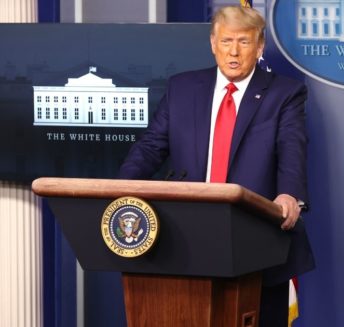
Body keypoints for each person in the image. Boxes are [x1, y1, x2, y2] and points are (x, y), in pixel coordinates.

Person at [118, 5, 314, 326]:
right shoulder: (182, 88)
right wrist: (119, 189)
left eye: (244, 42)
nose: (233, 52)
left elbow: (291, 148)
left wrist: (289, 195)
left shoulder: (285, 93)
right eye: (226, 42)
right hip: (185, 235)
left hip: (256, 238)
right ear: (213, 43)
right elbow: (151, 146)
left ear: (259, 46)